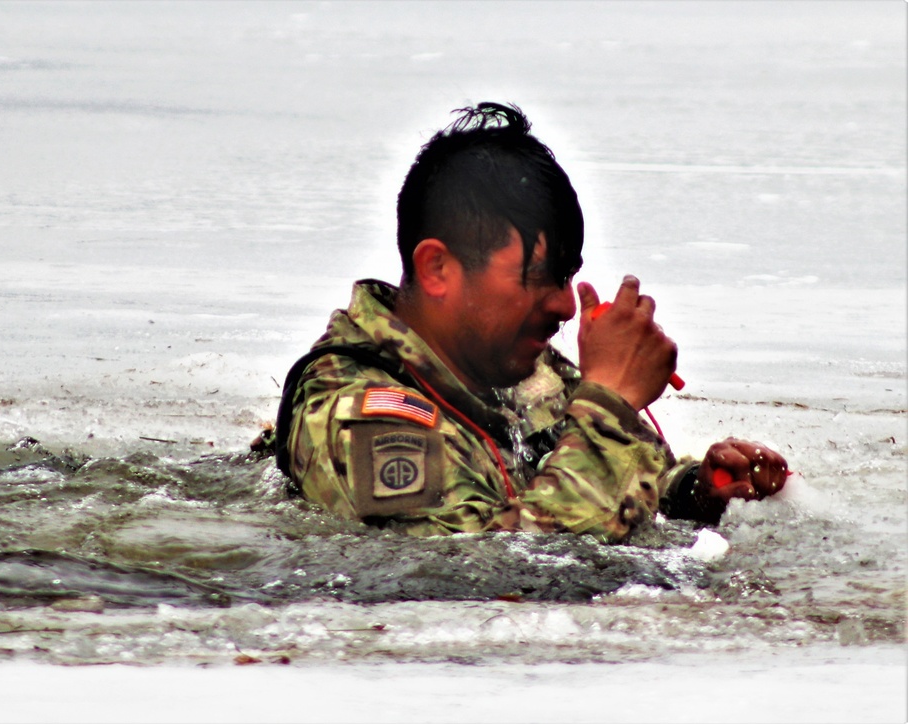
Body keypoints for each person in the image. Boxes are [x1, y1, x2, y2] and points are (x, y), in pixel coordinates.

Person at [274, 102, 788, 540]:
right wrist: (610, 402)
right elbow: (494, 575)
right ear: (438, 268)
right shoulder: (361, 420)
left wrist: (697, 491)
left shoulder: (506, 365)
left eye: (568, 279)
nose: (566, 307)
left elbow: (580, 474)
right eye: (540, 276)